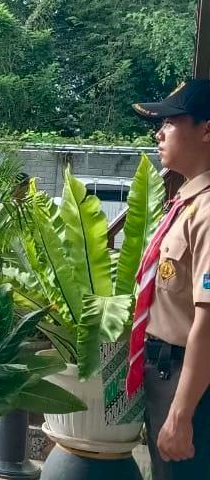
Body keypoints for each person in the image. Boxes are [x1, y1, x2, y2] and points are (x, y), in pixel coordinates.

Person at [128, 79, 210, 480]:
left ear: (207, 129)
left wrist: (181, 413)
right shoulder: (187, 202)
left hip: (189, 383)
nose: (159, 133)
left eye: (171, 122)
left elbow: (208, 322)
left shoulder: (208, 211)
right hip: (166, 372)